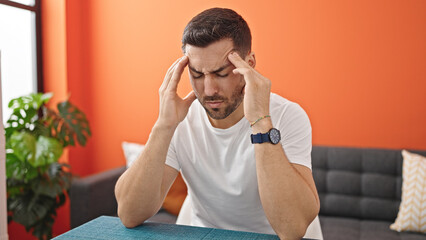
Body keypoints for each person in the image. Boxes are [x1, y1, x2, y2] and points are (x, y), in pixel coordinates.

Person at [115, 7, 320, 239]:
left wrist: (261, 122)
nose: (209, 90)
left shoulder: (287, 115)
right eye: (198, 75)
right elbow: (129, 213)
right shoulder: (180, 119)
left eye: (221, 73)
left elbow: (291, 227)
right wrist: (164, 126)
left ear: (249, 64)